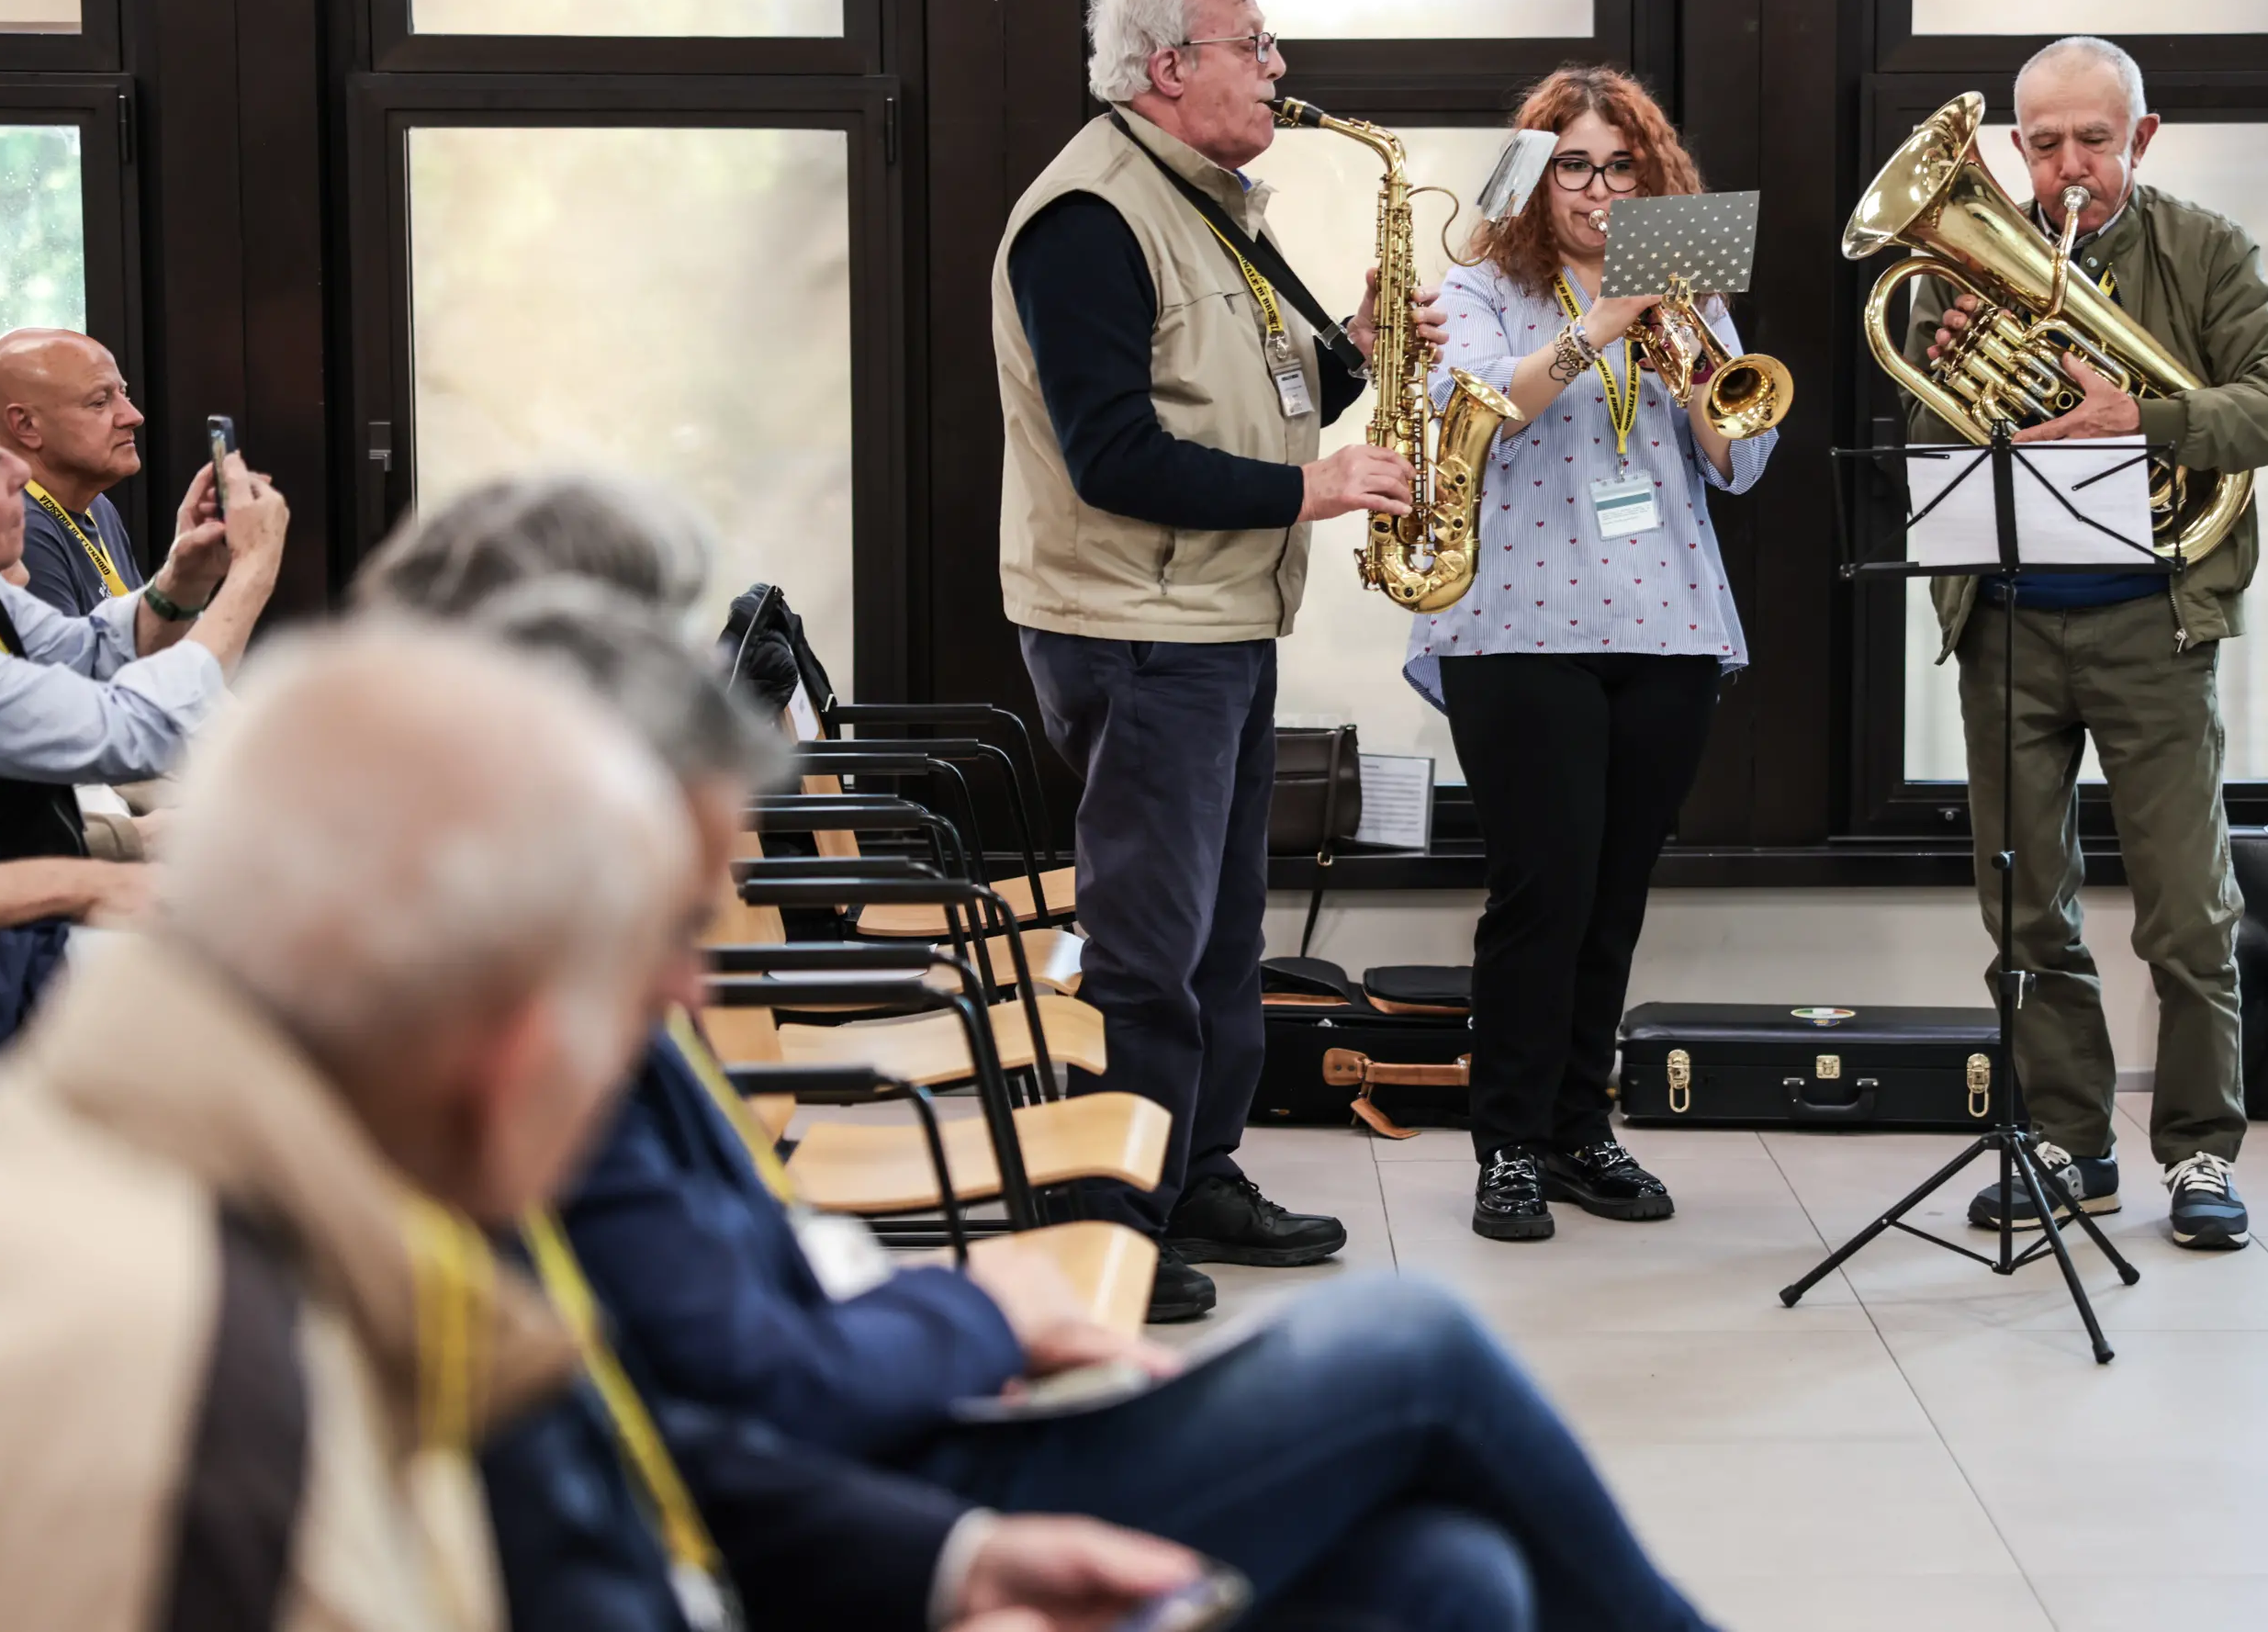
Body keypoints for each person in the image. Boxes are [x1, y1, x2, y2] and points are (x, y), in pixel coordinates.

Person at [362, 473, 1722, 1632]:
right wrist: (977, 1320)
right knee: (1415, 1341)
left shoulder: (558, 994)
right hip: (873, 1466)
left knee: (1450, 1572)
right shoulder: (511, 1063)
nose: (684, 969)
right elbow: (720, 1408)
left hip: (883, 1434)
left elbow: (711, 1356)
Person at [0, 622, 698, 1632]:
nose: (690, 997)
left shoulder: (164, 1190)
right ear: (512, 1042)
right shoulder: (221, 1397)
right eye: (637, 981)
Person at [994, 0, 1445, 1320]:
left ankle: (1198, 1171)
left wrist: (1359, 345)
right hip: (1136, 625)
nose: (1279, 67)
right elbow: (1113, 454)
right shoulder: (1089, 218)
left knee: (1221, 928)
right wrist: (1315, 490)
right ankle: (1119, 1215)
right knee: (1148, 934)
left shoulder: (1204, 204)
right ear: (1170, 66)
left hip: (1215, 615)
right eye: (1255, 42)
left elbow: (1245, 388)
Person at [1900, 36, 2268, 1250]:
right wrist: (1949, 372)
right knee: (2028, 909)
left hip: (2154, 617)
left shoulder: (2202, 248)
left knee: (2187, 913)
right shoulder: (1959, 263)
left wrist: (2138, 415)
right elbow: (1929, 440)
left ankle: (2198, 1151)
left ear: (2142, 137)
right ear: (2012, 147)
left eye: (2095, 138)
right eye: (2043, 143)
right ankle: (2068, 1141)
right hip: (2011, 619)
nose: (2069, 167)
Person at [1410, 66, 1776, 1242]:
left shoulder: (1688, 288)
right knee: (1540, 888)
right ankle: (1507, 1144)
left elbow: (1740, 460)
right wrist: (1600, 324)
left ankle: (1579, 1128)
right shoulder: (1477, 288)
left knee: (1613, 894)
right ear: (1535, 176)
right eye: (1575, 165)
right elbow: (1488, 404)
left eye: (1622, 166)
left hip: (1663, 620)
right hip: (1516, 622)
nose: (1600, 189)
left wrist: (1703, 378)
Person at [0, 433, 286, 1050]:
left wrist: (184, 579)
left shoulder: (0, 594)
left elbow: (87, 651)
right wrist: (251, 575)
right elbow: (132, 730)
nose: (20, 471)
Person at [0, 329, 152, 615]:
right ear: (26, 426)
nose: (133, 416)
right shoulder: (17, 527)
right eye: (100, 402)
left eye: (123, 393)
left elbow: (138, 640)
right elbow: (75, 658)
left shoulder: (97, 506)